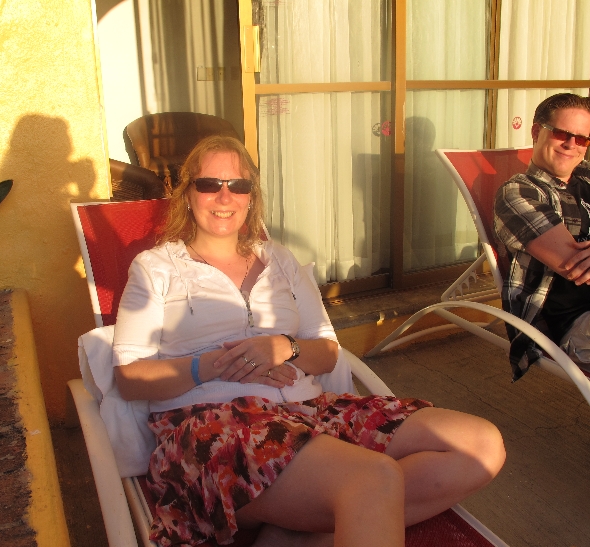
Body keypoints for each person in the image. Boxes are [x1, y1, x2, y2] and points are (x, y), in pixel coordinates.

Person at [113, 134, 505, 547]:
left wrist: (286, 347)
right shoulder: (156, 268)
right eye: (209, 184)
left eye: (238, 185)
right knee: (373, 477)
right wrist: (216, 364)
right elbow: (129, 377)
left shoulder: (280, 260)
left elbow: (328, 351)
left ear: (251, 196)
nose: (224, 197)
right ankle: (326, 518)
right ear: (188, 192)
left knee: (481, 446)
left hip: (310, 412)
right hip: (213, 429)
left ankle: (301, 529)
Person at [494, 93, 590, 392]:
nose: (571, 145)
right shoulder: (520, 193)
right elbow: (580, 268)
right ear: (537, 132)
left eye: (581, 139)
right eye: (561, 133)